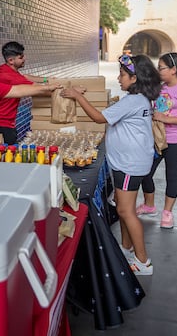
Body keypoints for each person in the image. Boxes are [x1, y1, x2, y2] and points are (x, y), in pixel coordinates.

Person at [62, 54, 161, 275]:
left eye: (122, 75)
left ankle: (143, 262)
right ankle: (126, 249)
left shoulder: (133, 101)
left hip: (129, 164)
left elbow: (98, 118)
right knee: (123, 206)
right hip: (130, 162)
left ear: (134, 78)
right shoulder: (140, 98)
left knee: (126, 211)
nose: (118, 78)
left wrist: (78, 96)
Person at [136, 52, 177, 229]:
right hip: (157, 138)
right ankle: (149, 205)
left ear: (174, 69)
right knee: (145, 172)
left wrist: (167, 119)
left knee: (172, 176)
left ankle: (167, 213)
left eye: (161, 68)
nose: (159, 71)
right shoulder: (161, 87)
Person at [0, 41, 55, 145]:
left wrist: (46, 80)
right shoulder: (11, 77)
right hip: (1, 124)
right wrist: (66, 92)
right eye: (21, 57)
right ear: (11, 60)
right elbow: (39, 90)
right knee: (8, 155)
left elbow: (25, 77)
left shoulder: (3, 69)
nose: (24, 59)